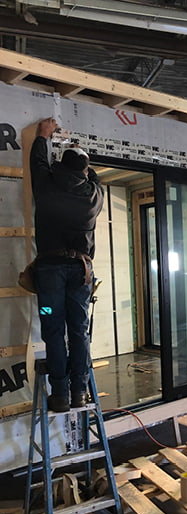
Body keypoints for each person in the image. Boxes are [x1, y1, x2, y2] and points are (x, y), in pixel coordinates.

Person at [30, 117, 104, 412]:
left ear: (60, 167)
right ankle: (79, 392)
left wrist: (42, 137)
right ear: (85, 170)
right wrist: (80, 157)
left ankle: (59, 394)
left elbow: (38, 162)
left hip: (49, 274)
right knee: (78, 329)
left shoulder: (46, 186)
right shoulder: (93, 196)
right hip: (80, 273)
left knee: (52, 328)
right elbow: (93, 177)